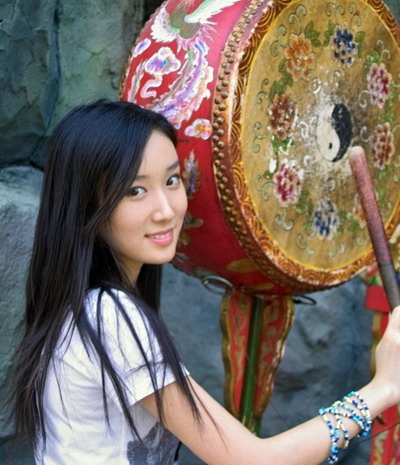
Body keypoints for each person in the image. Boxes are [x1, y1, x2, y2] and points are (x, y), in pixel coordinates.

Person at [7, 99, 400, 465]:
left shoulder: (82, 308)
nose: (166, 210)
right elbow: (254, 461)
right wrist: (383, 388)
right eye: (135, 190)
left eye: (172, 180)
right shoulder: (110, 317)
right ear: (84, 205)